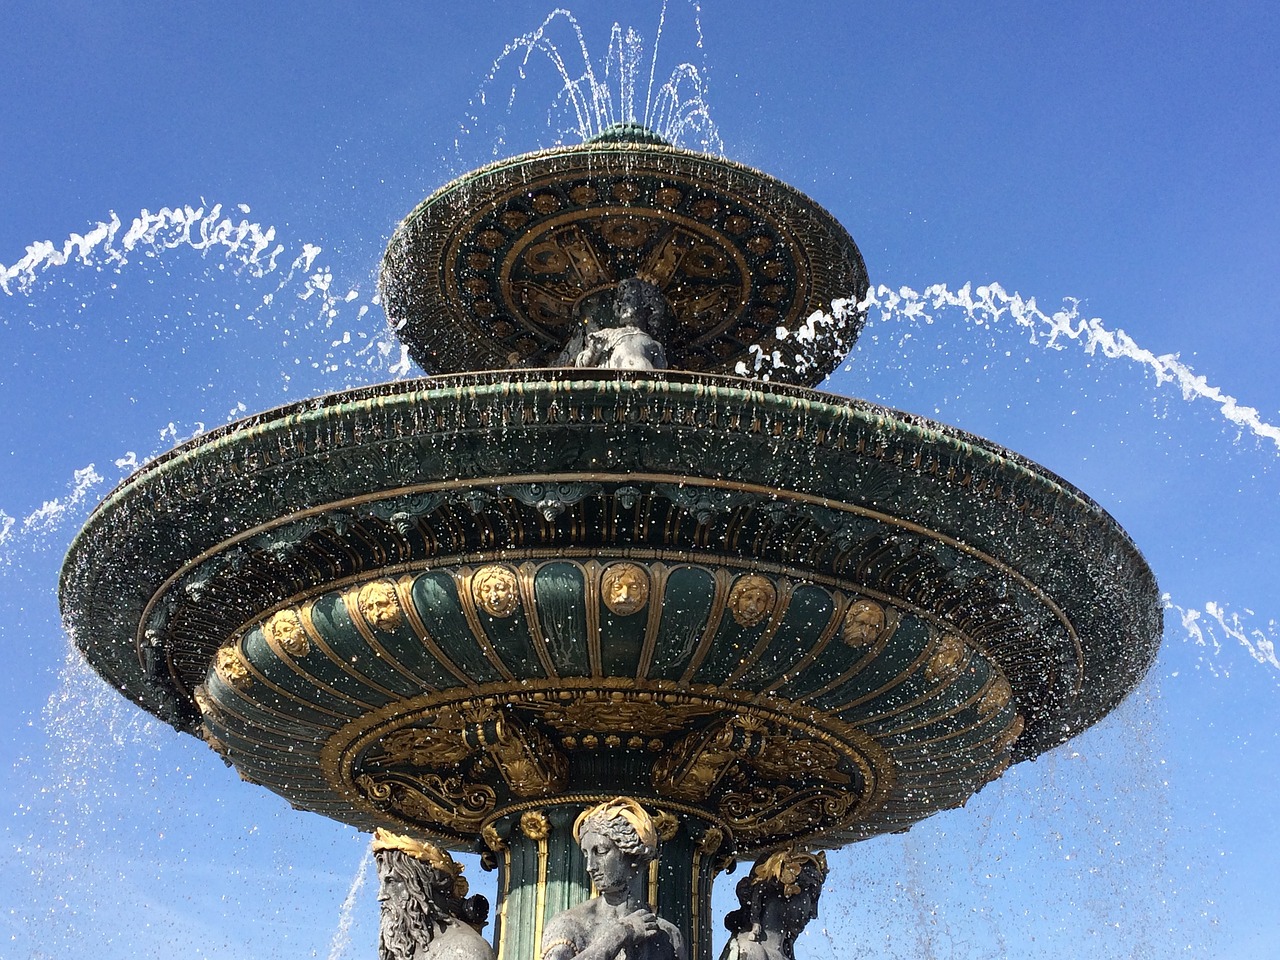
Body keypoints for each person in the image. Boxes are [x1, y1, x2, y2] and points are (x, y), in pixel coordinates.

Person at [541, 798, 685, 960]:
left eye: (601, 851)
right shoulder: (568, 924)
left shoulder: (668, 935)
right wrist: (616, 937)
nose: (590, 866)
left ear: (635, 855)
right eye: (586, 854)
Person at [372, 828, 494, 960]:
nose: (382, 895)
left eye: (391, 881)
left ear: (423, 884)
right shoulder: (403, 948)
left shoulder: (463, 949)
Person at [718, 850, 827, 960]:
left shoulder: (779, 954)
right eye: (811, 899)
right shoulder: (747, 951)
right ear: (786, 891)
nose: (813, 913)